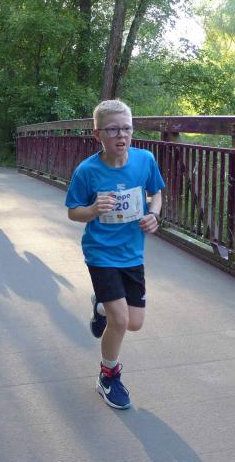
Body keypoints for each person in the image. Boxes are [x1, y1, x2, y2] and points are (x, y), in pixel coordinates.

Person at [65, 99, 165, 410]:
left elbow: (157, 192)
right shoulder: (87, 171)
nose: (121, 135)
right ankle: (108, 376)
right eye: (112, 130)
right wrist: (94, 209)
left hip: (132, 253)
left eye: (127, 128)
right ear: (97, 134)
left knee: (134, 322)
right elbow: (73, 211)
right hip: (100, 252)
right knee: (120, 321)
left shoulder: (145, 160)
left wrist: (154, 214)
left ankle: (101, 308)